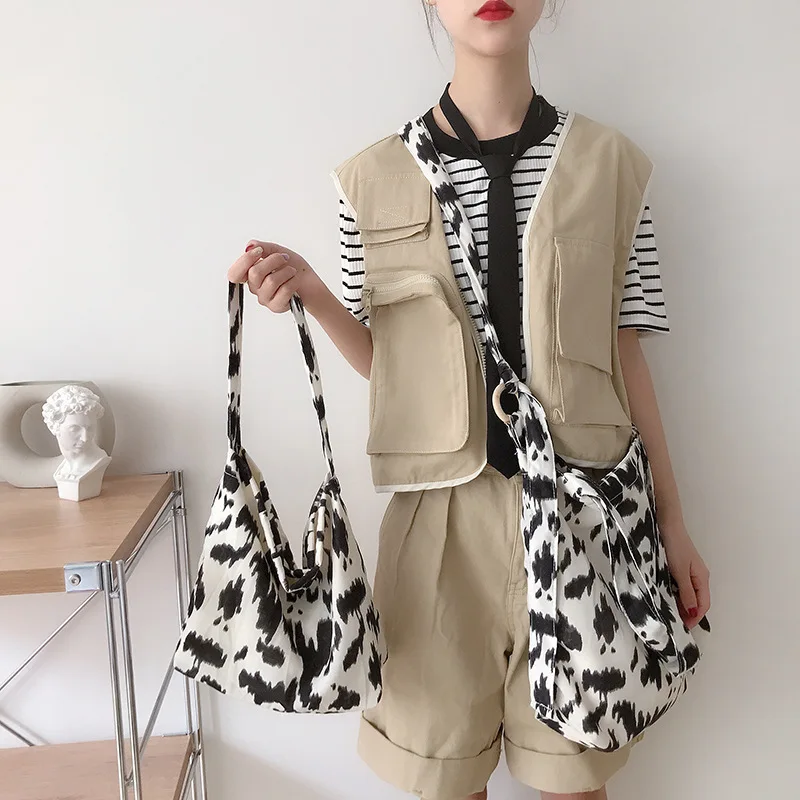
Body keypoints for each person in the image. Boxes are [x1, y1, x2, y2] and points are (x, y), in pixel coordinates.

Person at [227, 2, 711, 798]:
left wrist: (673, 520)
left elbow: (626, 355)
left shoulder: (615, 168)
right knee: (443, 781)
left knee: (576, 783)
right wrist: (312, 291)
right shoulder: (370, 180)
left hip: (585, 519)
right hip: (436, 529)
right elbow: (397, 371)